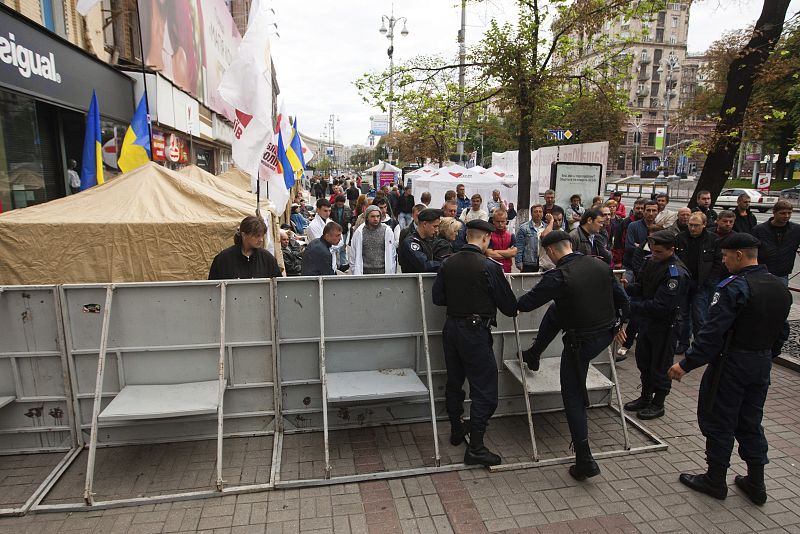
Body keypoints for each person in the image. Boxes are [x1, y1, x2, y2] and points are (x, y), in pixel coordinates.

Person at [668, 233, 791, 504]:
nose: (723, 261)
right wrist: (766, 356)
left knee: (720, 420)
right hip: (760, 364)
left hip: (731, 364)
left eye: (725, 256)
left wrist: (686, 364)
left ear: (739, 255)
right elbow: (782, 330)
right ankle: (756, 483)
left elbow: (712, 333)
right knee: (750, 420)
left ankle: (715, 480)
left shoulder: (734, 287)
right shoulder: (778, 286)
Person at [517, 230, 629, 480]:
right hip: (604, 334)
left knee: (573, 397)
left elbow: (524, 304)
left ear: (552, 252)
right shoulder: (600, 265)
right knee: (557, 309)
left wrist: (503, 298)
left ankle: (584, 458)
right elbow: (623, 300)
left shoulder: (557, 275)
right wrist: (621, 326)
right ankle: (534, 353)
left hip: (580, 343)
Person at [432, 219, 518, 467]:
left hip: (451, 328)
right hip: (475, 332)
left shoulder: (448, 262)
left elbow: (438, 298)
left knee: (455, 381)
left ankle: (457, 429)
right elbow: (509, 307)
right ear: (486, 239)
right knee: (486, 389)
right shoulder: (489, 266)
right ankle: (476, 447)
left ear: (466, 236)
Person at [620, 230, 689, 420]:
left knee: (660, 364)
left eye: (659, 252)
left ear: (671, 250)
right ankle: (645, 396)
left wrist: (630, 306)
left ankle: (658, 403)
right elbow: (642, 287)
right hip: (648, 322)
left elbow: (661, 306)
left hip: (666, 325)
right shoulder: (650, 261)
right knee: (644, 361)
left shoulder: (675, 273)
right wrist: (627, 287)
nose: (655, 254)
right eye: (653, 250)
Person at [674, 212, 722, 355]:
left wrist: (709, 281)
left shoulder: (713, 240)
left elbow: (718, 263)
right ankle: (683, 342)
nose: (693, 228)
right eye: (690, 225)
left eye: (696, 225)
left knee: (699, 315)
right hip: (684, 284)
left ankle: (699, 345)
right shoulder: (680, 238)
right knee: (682, 315)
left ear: (704, 225)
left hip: (702, 284)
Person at [209, 216, 282, 280]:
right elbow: (213, 289)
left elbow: (279, 286)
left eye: (262, 235)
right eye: (257, 236)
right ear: (243, 235)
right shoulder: (223, 259)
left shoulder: (267, 259)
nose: (261, 240)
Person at [751, 200, 800, 285]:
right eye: (783, 213)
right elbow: (751, 252)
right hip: (762, 273)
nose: (786, 216)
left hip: (783, 274)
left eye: (789, 213)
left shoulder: (796, 229)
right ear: (774, 212)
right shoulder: (758, 230)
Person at [350, 205, 397, 275]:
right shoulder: (359, 232)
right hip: (364, 274)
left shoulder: (387, 231)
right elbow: (353, 254)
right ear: (367, 218)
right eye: (372, 216)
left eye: (378, 216)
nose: (376, 219)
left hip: (383, 274)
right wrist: (355, 271)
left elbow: (392, 254)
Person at [398, 208, 446, 273]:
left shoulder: (430, 240)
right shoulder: (411, 242)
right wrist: (445, 263)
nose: (437, 230)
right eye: (434, 226)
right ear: (424, 224)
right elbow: (424, 265)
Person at [623, 200, 658, 274]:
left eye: (654, 210)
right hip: (630, 266)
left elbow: (659, 250)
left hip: (651, 269)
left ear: (657, 212)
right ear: (644, 211)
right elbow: (629, 247)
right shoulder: (633, 226)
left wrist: (639, 246)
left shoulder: (659, 228)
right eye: (648, 210)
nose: (651, 213)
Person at [515, 204, 547, 272]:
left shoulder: (546, 228)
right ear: (531, 213)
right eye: (535, 212)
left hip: (543, 262)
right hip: (528, 262)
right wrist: (518, 261)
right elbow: (519, 246)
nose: (538, 213)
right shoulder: (524, 228)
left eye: (540, 211)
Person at [485, 209, 516, 273]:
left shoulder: (511, 235)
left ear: (506, 221)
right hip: (492, 270)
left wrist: (495, 251)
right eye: (498, 221)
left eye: (502, 221)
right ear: (493, 221)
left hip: (507, 270)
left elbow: (513, 253)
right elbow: (489, 254)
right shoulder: (488, 235)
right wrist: (507, 253)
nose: (500, 224)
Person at [330, 195, 352, 271]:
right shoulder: (332, 208)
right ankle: (335, 264)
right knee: (334, 248)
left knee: (342, 248)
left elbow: (351, 218)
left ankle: (343, 264)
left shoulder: (347, 209)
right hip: (334, 231)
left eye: (342, 204)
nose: (340, 206)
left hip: (344, 230)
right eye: (339, 204)